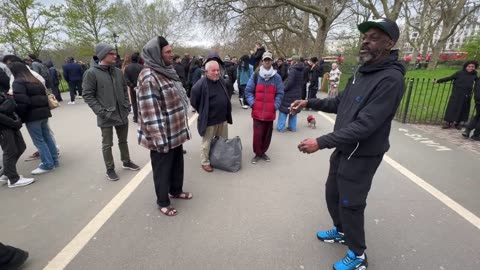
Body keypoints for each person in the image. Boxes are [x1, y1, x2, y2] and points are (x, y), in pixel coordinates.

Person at [290, 18, 405, 270]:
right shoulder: (361, 73)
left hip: (363, 154)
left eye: (374, 37)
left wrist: (320, 141)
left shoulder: (390, 79)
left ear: (390, 43)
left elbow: (365, 125)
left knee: (351, 203)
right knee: (333, 193)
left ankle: (358, 255)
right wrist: (309, 103)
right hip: (345, 148)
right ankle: (341, 231)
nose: (366, 40)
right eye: (365, 36)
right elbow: (338, 102)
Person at [137, 36, 193, 216]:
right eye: (167, 52)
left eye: (171, 50)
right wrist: (160, 140)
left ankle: (176, 190)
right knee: (162, 169)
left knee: (177, 164)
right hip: (162, 135)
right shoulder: (149, 77)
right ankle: (162, 201)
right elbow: (150, 112)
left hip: (175, 131)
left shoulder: (166, 71)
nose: (171, 54)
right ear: (157, 55)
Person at [83, 43, 140, 181]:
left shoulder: (118, 72)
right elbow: (87, 95)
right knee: (107, 144)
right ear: (102, 55)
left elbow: (124, 90)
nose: (115, 56)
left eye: (114, 53)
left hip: (122, 113)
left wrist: (127, 106)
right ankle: (110, 168)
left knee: (123, 140)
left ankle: (126, 161)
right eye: (111, 53)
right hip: (105, 115)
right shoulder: (91, 73)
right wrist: (101, 112)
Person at [10, 62, 59, 175]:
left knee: (39, 141)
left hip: (31, 115)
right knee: (47, 137)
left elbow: (22, 101)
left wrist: (20, 116)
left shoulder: (18, 82)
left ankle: (47, 164)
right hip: (43, 113)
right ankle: (54, 161)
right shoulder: (35, 80)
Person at [190, 60, 232, 172]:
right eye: (214, 70)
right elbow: (194, 100)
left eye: (218, 70)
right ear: (207, 71)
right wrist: (202, 110)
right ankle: (205, 162)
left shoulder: (221, 81)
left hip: (222, 118)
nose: (217, 72)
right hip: (209, 120)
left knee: (223, 141)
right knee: (206, 143)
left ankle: (220, 158)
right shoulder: (200, 85)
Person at [245, 51, 284, 164]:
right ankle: (257, 153)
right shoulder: (256, 75)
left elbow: (280, 93)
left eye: (269, 60)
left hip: (269, 113)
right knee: (257, 135)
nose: (267, 62)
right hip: (257, 112)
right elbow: (248, 91)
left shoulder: (276, 77)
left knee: (267, 135)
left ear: (272, 61)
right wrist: (253, 104)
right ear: (262, 61)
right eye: (265, 60)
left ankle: (263, 152)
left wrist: (275, 106)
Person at [0, 68, 34, 187]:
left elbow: (8, 105)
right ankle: (13, 179)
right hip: (4, 126)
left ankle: (7, 172)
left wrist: (15, 119)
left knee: (20, 146)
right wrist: (13, 122)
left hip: (10, 121)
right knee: (10, 151)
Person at [435, 61, 478, 129]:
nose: (471, 68)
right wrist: (438, 81)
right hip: (456, 93)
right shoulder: (459, 73)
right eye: (469, 66)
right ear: (466, 67)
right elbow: (450, 78)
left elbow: (478, 83)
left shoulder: (474, 75)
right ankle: (448, 122)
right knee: (452, 108)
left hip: (466, 95)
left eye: (472, 67)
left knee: (463, 109)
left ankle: (458, 123)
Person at [277, 55, 303, 132]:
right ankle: (292, 127)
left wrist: (284, 88)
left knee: (284, 109)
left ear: (294, 61)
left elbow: (290, 82)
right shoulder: (301, 70)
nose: (290, 62)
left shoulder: (293, 70)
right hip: (297, 92)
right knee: (294, 109)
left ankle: (281, 127)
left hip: (290, 93)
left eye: (291, 60)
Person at [124, 52, 143, 123]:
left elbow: (126, 79)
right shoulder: (142, 67)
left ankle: (136, 117)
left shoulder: (127, 67)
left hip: (133, 88)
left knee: (134, 102)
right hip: (141, 87)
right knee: (141, 102)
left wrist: (132, 86)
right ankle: (142, 116)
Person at [462, 73, 480, 140]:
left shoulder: (478, 80)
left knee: (477, 116)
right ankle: (476, 135)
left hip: (478, 101)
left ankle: (467, 130)